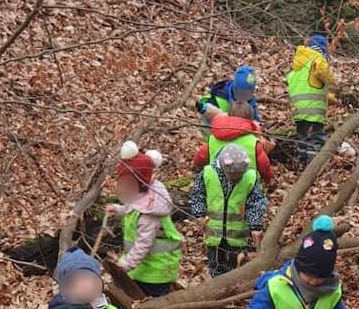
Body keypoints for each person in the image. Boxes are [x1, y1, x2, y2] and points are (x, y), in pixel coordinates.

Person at [106, 141, 183, 297]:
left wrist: (126, 264)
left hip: (156, 270)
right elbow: (133, 207)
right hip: (144, 266)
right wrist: (119, 209)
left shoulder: (150, 214)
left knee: (154, 304)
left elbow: (144, 243)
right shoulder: (142, 196)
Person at [190, 144, 267, 278]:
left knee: (237, 265)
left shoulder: (251, 177)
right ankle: (217, 286)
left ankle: (234, 287)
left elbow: (256, 202)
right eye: (233, 175)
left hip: (238, 233)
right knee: (216, 264)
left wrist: (255, 226)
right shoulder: (208, 173)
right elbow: (198, 194)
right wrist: (199, 213)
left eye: (239, 175)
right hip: (213, 231)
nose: (236, 177)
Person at [191, 101, 274, 188]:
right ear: (250, 120)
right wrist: (269, 178)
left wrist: (196, 165)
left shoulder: (214, 138)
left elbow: (201, 155)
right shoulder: (254, 142)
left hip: (217, 183)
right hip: (246, 186)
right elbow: (264, 164)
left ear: (228, 116)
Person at [287, 32, 333, 164]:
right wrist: (331, 77)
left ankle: (302, 163)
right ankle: (313, 166)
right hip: (313, 112)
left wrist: (330, 97)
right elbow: (324, 73)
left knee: (303, 139)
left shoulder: (299, 67)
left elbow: (309, 85)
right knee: (316, 139)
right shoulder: (318, 60)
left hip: (298, 112)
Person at [197, 64, 260, 129]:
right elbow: (209, 119)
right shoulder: (218, 98)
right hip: (215, 133)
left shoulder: (251, 101)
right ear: (234, 88)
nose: (244, 98)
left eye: (248, 94)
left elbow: (255, 120)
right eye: (241, 93)